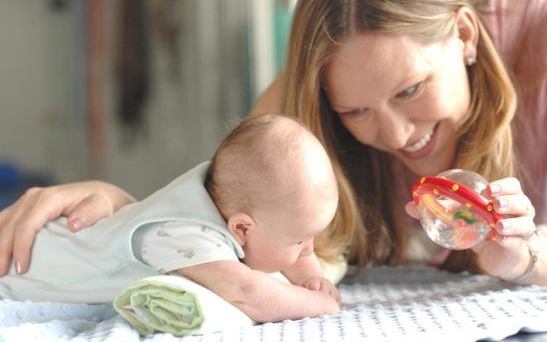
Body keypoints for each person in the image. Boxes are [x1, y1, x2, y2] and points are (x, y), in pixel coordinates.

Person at [1, 0, 547, 285]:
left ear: (465, 35)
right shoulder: (312, 85)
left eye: (411, 90)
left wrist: (525, 257)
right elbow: (218, 222)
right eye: (355, 111)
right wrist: (118, 209)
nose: (395, 137)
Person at [0, 114, 341, 323]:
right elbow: (247, 292)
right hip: (27, 266)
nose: (309, 249)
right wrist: (317, 303)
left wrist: (311, 279)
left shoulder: (225, 193)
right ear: (242, 229)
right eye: (299, 241)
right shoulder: (187, 233)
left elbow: (303, 256)